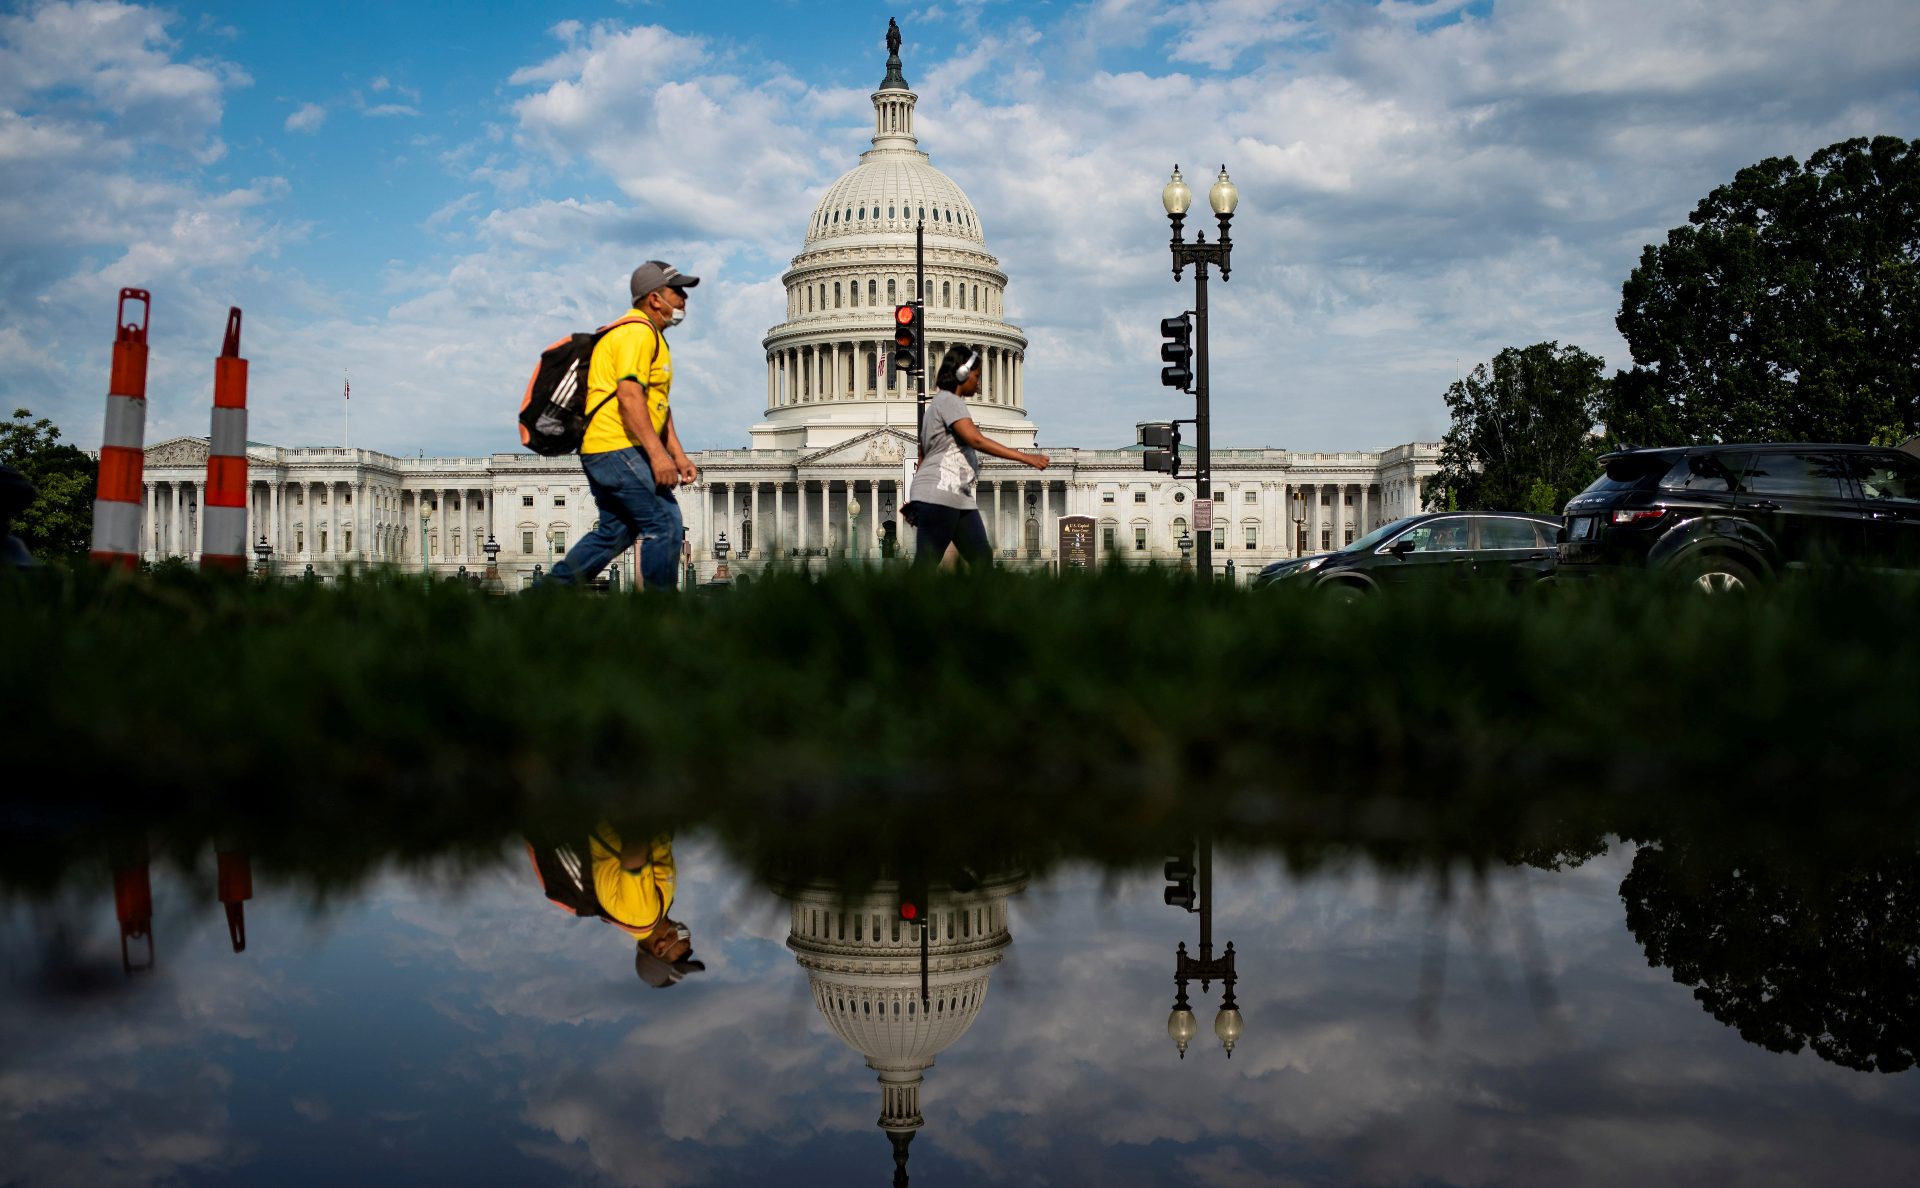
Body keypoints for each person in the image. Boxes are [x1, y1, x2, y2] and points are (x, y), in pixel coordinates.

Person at [548, 261, 702, 590]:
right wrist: (658, 456)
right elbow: (630, 397)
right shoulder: (636, 332)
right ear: (655, 299)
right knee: (665, 522)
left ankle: (543, 596)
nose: (684, 300)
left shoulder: (650, 336)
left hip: (605, 448)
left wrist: (677, 453)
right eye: (678, 292)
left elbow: (657, 403)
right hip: (615, 444)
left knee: (615, 532)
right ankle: (658, 617)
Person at [906, 345, 1048, 568]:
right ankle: (895, 602)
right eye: (977, 376)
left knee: (982, 557)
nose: (979, 382)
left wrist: (915, 499)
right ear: (962, 374)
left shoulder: (936, 406)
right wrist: (1028, 458)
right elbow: (976, 440)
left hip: (956, 495)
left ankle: (984, 603)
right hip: (940, 494)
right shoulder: (949, 401)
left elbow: (922, 455)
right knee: (926, 564)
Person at [525, 821, 704, 988]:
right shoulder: (655, 913)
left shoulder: (643, 916)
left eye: (682, 956)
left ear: (660, 948)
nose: (689, 949)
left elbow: (633, 854)